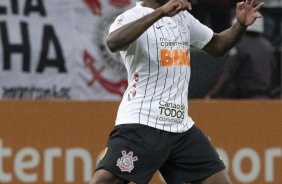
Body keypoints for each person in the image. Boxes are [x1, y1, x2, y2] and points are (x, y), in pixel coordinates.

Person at [90, 0, 264, 183]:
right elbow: (113, 42)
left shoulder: (183, 19)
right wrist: (160, 13)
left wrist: (240, 25)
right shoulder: (131, 17)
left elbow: (217, 45)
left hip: (180, 127)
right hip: (142, 122)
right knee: (105, 180)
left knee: (218, 181)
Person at [206, 16, 275, 99]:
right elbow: (273, 68)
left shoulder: (239, 45)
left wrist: (213, 94)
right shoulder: (267, 46)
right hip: (265, 98)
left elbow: (228, 73)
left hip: (245, 99)